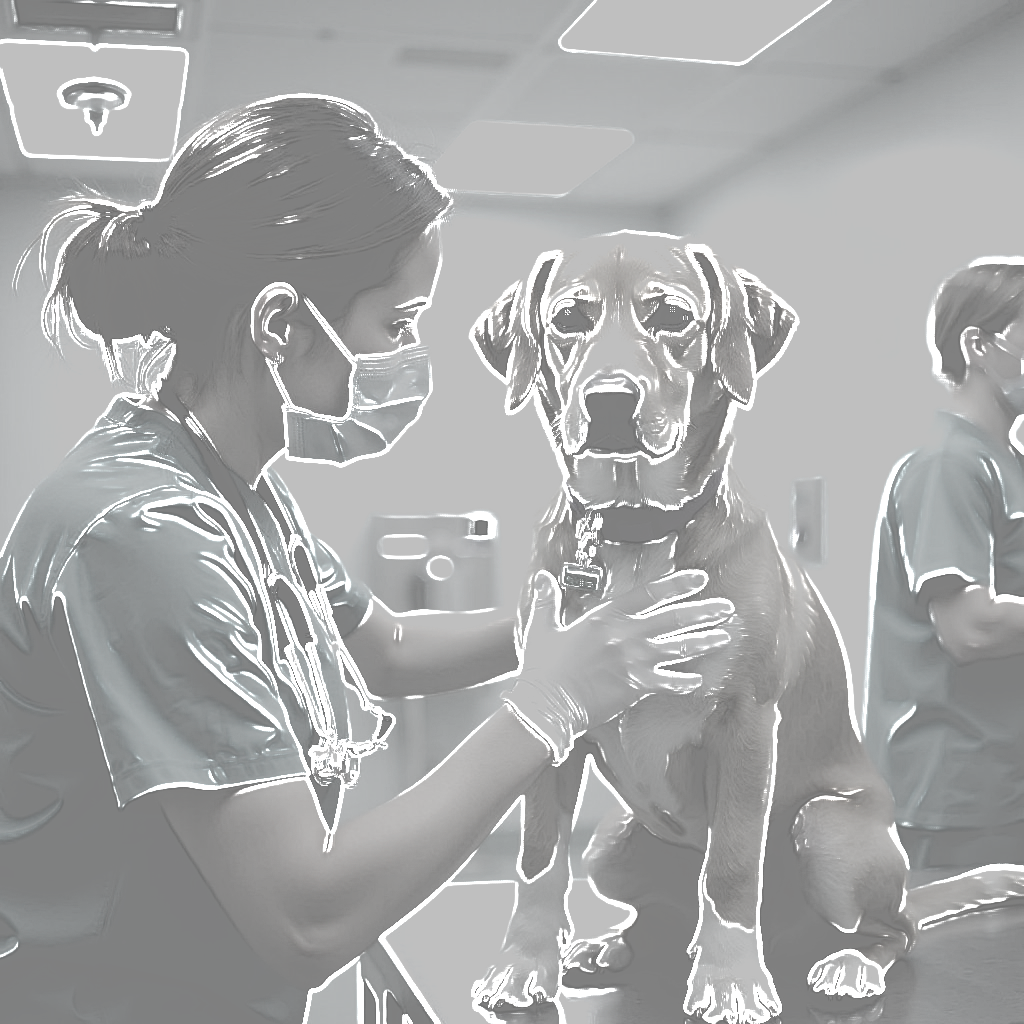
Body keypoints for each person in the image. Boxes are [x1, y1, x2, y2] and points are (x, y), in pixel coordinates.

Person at [0, 93, 736, 1023]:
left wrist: (566, 632)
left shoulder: (233, 484)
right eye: (399, 324)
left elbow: (382, 646)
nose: (414, 359)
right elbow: (306, 913)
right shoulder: (144, 532)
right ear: (280, 328)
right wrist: (555, 704)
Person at [862, 256, 1024, 871]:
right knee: (967, 966)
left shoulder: (1004, 462)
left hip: (1005, 781)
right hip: (958, 790)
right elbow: (969, 627)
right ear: (981, 346)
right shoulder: (947, 465)